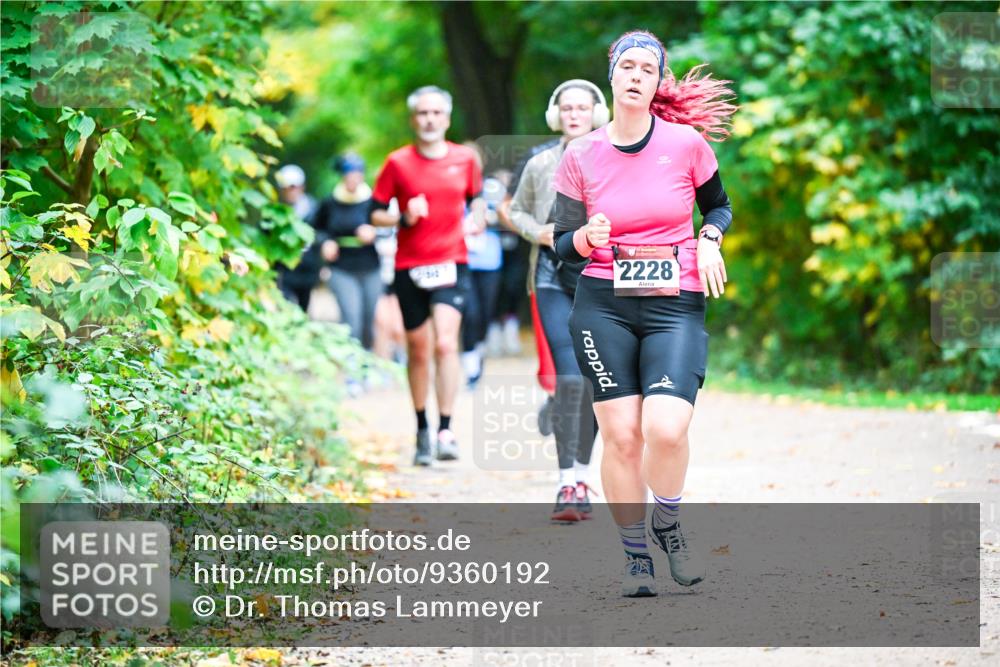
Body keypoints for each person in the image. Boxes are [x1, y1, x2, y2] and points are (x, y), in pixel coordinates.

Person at [552, 31, 736, 597]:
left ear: (658, 82)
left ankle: (669, 522)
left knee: (667, 428)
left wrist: (709, 237)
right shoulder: (579, 154)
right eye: (626, 66)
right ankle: (636, 556)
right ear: (611, 76)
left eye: (647, 69)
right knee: (623, 437)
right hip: (603, 305)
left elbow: (720, 206)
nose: (635, 75)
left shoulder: (685, 145)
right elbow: (560, 243)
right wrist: (586, 236)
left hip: (674, 305)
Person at [508, 79, 611, 523]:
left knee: (595, 384)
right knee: (571, 380)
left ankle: (584, 475)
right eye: (566, 108)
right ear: (556, 115)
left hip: (601, 278)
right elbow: (515, 211)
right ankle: (567, 483)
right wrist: (540, 232)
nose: (573, 115)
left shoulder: (613, 158)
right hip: (551, 276)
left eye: (581, 108)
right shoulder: (539, 163)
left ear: (595, 112)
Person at [370, 86, 484, 466]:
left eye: (437, 113)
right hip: (409, 266)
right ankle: (422, 427)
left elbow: (476, 200)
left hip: (452, 262)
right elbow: (373, 214)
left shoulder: (466, 159)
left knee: (446, 345)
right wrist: (403, 216)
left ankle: (446, 429)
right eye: (423, 113)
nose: (430, 119)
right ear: (413, 119)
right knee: (418, 350)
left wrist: (478, 218)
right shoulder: (398, 163)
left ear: (447, 119)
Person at [314, 153, 381, 351]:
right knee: (351, 316)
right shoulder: (330, 202)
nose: (353, 177)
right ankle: (353, 367)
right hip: (341, 268)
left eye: (357, 173)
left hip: (370, 266)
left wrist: (374, 232)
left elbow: (391, 227)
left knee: (369, 319)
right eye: (349, 173)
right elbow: (316, 229)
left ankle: (367, 361)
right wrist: (326, 242)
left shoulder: (372, 202)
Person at [461, 174, 506, 388]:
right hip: (464, 263)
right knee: (470, 314)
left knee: (485, 315)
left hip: (490, 263)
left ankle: (478, 352)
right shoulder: (455, 187)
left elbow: (509, 215)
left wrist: (491, 217)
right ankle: (470, 365)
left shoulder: (493, 187)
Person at [274, 164, 320, 311]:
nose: (291, 191)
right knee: (286, 307)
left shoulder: (314, 210)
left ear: (302, 187)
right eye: (287, 187)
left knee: (303, 308)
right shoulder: (274, 212)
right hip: (284, 270)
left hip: (307, 270)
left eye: (294, 187)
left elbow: (322, 235)